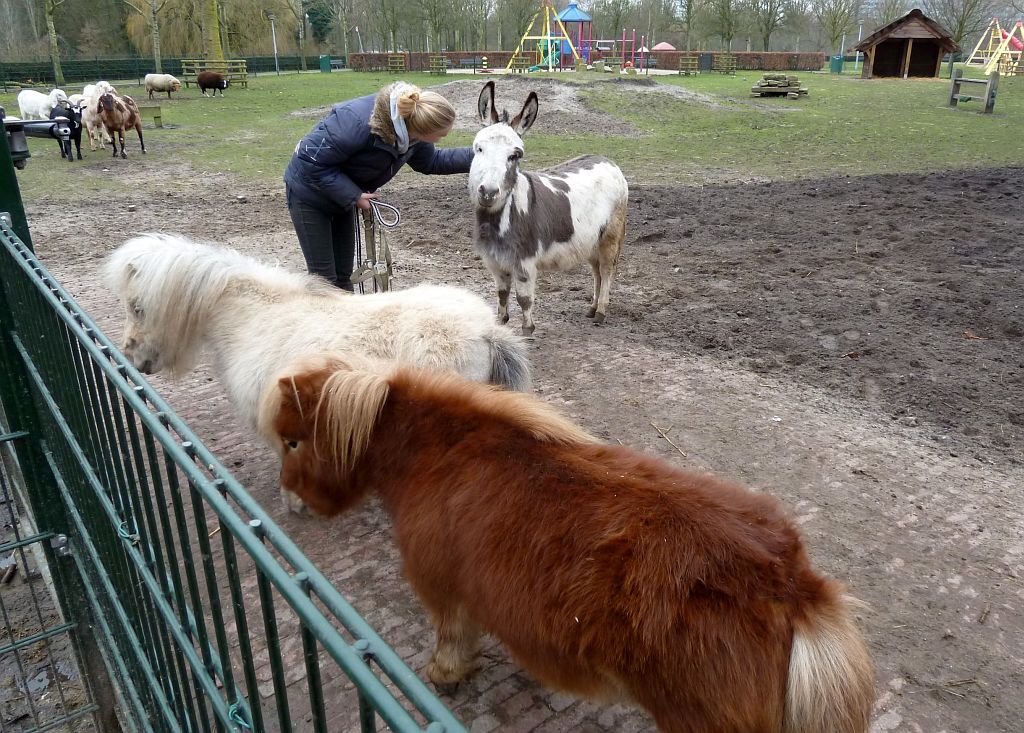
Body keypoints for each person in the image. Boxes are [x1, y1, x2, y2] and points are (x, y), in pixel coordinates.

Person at [284, 81, 472, 290]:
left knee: (343, 275)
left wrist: (485, 156)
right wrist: (354, 195)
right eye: (441, 135)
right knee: (324, 280)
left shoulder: (411, 134)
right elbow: (309, 161)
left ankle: (346, 322)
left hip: (340, 196)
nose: (441, 139)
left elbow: (432, 162)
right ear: (422, 127)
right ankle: (319, 321)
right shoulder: (354, 122)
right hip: (309, 195)